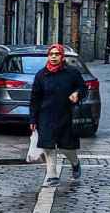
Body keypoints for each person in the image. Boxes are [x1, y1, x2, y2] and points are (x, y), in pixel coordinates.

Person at [30, 44, 87, 187]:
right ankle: (52, 175)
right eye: (51, 54)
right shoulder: (41, 75)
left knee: (67, 147)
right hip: (46, 116)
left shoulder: (72, 73)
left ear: (62, 57)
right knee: (48, 146)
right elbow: (35, 98)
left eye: (57, 54)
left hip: (66, 114)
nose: (54, 57)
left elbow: (83, 88)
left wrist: (77, 94)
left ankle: (75, 163)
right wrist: (33, 118)